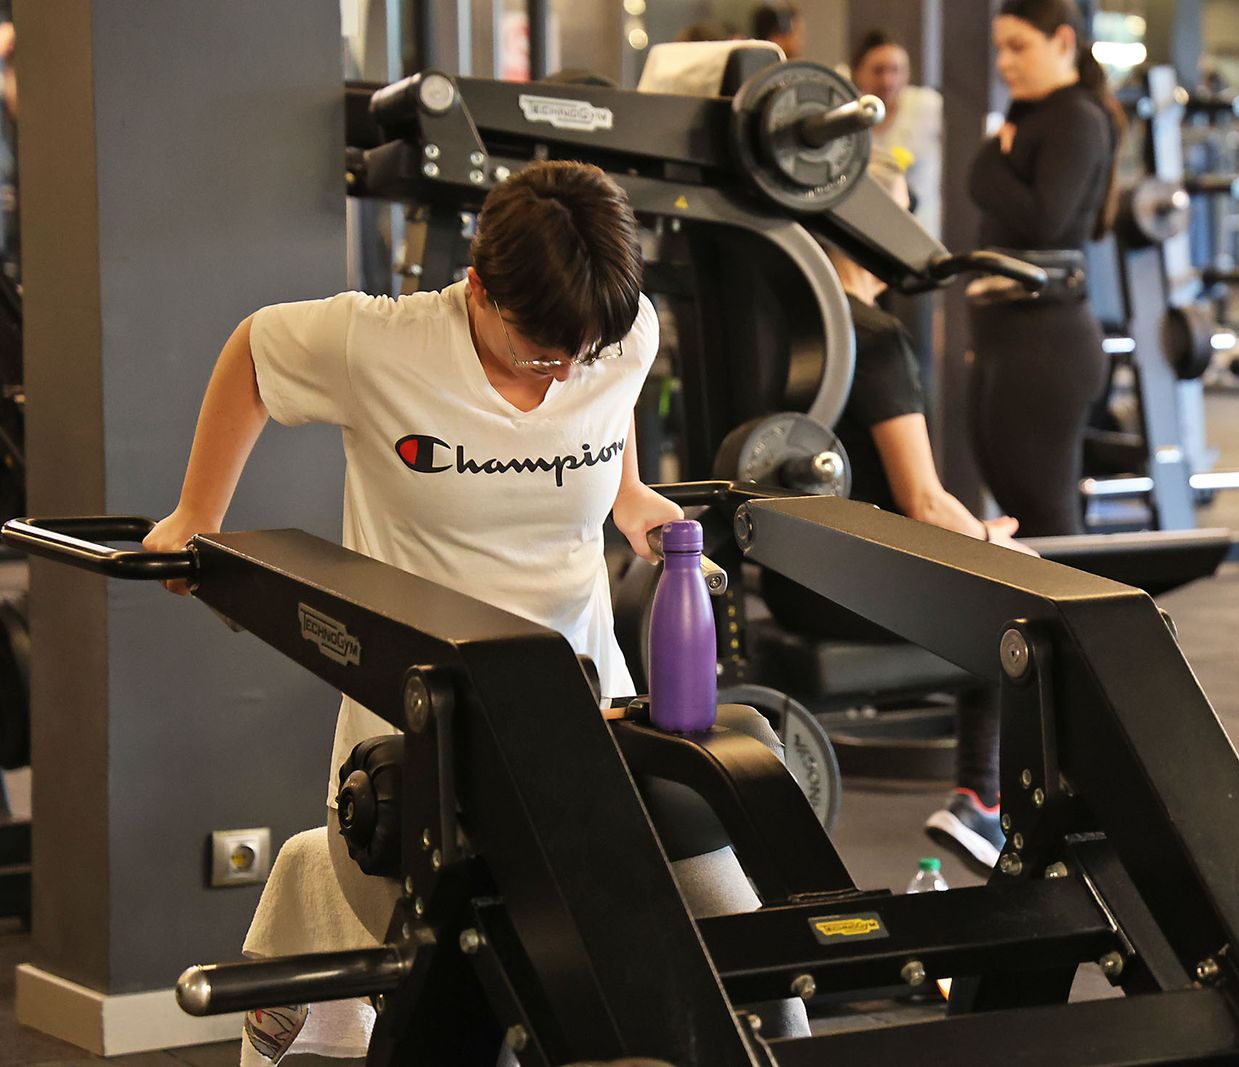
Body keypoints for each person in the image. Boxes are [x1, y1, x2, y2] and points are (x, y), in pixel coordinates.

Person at [141, 161, 809, 1060]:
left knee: (747, 953)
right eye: (542, 350)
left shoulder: (622, 337)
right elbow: (253, 354)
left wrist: (630, 492)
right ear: (478, 286)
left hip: (590, 707)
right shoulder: (376, 344)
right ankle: (320, 895)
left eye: (585, 351)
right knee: (507, 974)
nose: (566, 369)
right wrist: (197, 517)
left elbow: (606, 413)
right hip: (419, 730)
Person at [759, 152, 1033, 873]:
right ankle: (982, 799)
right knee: (1019, 602)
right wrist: (988, 542)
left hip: (782, 574)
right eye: (898, 213)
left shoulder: (783, 322)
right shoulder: (870, 337)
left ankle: (985, 799)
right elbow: (925, 502)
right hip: (852, 587)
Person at [967, 0, 1122, 535]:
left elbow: (1044, 223)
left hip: (1046, 346)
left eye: (1019, 47)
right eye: (1000, 50)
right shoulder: (1036, 116)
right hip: (1007, 340)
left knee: (1048, 521)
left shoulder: (1075, 118)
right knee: (1021, 519)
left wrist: (986, 166)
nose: (1005, 63)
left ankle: (1086, 621)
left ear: (1062, 42)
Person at [850, 29, 944, 239]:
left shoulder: (928, 107)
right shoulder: (848, 117)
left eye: (896, 70)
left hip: (922, 233)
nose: (888, 81)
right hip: (870, 233)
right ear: (858, 73)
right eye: (878, 71)